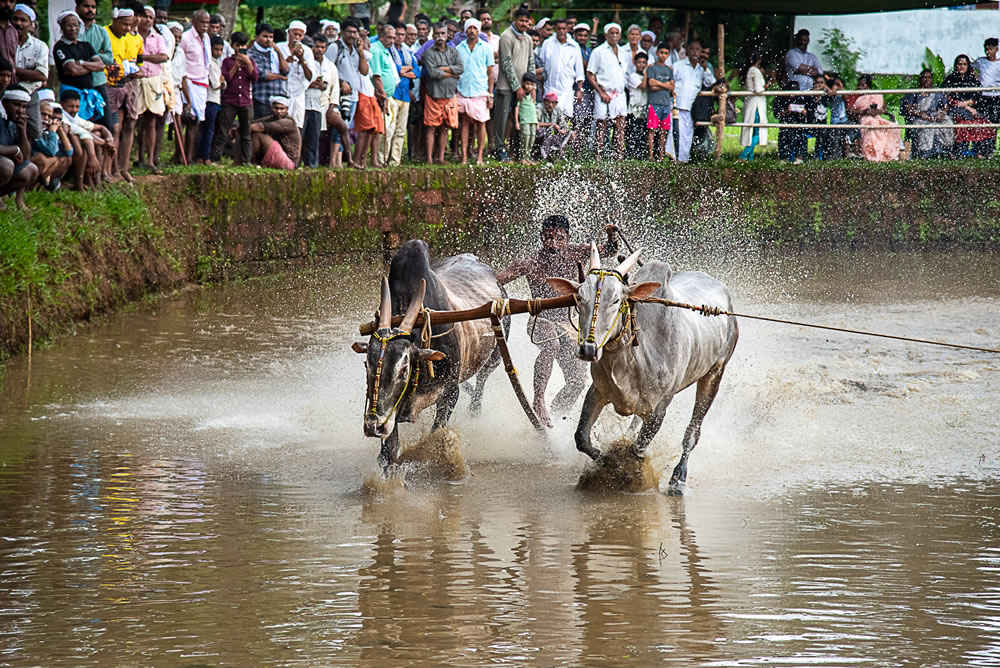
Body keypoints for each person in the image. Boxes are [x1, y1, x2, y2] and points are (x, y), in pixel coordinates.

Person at [496, 216, 618, 427]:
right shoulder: (531, 262)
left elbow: (609, 250)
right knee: (551, 345)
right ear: (541, 238)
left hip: (568, 324)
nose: (553, 243)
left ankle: (556, 417)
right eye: (548, 238)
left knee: (577, 382)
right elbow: (497, 280)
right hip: (541, 320)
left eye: (559, 238)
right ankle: (539, 401)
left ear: (567, 238)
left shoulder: (579, 252)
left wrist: (612, 234)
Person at [104, 6, 143, 182]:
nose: (128, 28)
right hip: (109, 85)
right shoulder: (104, 33)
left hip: (127, 84)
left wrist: (134, 69)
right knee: (115, 127)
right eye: (125, 24)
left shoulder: (131, 39)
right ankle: (112, 168)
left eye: (130, 24)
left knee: (130, 125)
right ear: (116, 20)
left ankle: (124, 167)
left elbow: (136, 62)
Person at [494, 7, 534, 162]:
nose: (524, 24)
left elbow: (531, 61)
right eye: (521, 20)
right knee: (502, 120)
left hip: (524, 88)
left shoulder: (528, 38)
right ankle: (499, 149)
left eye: (526, 21)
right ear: (515, 20)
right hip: (506, 87)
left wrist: (532, 86)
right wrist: (516, 87)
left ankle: (518, 152)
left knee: (520, 119)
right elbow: (506, 64)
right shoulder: (506, 36)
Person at [422, 22, 463, 165]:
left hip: (449, 95)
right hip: (434, 95)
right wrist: (451, 73)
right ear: (433, 35)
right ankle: (428, 159)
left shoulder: (454, 52)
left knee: (445, 127)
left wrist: (443, 69)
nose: (440, 37)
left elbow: (460, 68)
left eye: (443, 34)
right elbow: (433, 73)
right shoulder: (428, 53)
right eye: (437, 34)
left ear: (447, 35)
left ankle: (440, 158)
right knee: (431, 127)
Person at [586, 23, 628, 161]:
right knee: (601, 123)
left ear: (620, 35)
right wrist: (601, 92)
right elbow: (590, 74)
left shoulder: (623, 52)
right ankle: (598, 154)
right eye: (611, 33)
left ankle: (618, 154)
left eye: (617, 33)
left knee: (620, 124)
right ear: (606, 35)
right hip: (603, 92)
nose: (614, 35)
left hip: (620, 93)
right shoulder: (598, 51)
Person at [214, 31, 256, 166]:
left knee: (246, 133)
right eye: (238, 45)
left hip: (246, 101)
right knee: (222, 130)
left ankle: (246, 160)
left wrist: (248, 63)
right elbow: (225, 80)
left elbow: (255, 77)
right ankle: (215, 158)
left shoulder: (251, 61)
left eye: (243, 45)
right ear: (232, 45)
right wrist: (236, 66)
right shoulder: (227, 61)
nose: (240, 48)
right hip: (230, 101)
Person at [455, 17, 493, 165]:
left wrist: (490, 94)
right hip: (463, 90)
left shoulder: (486, 48)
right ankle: (464, 156)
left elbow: (490, 73)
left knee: (481, 124)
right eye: (469, 28)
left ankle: (480, 157)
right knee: (464, 123)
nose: (472, 31)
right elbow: (456, 71)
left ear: (479, 30)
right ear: (465, 30)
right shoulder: (459, 48)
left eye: (475, 28)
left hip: (480, 91)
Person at [135, 6, 167, 172]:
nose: (147, 20)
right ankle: (135, 158)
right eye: (145, 16)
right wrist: (149, 59)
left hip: (153, 82)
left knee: (151, 121)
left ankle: (150, 160)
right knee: (133, 120)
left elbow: (163, 57)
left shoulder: (158, 37)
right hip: (137, 81)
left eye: (150, 17)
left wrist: (142, 57)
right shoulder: (132, 35)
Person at [672, 38, 715, 163]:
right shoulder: (679, 65)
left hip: (691, 107)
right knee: (675, 133)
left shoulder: (701, 69)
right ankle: (672, 158)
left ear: (701, 52)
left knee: (687, 135)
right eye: (692, 49)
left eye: (697, 49)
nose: (694, 52)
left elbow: (711, 82)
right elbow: (671, 81)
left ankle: (683, 159)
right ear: (687, 50)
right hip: (678, 105)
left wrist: (705, 67)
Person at [943, 55, 993, 159]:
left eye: (964, 64)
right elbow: (945, 97)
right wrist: (963, 106)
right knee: (962, 124)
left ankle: (981, 152)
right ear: (955, 65)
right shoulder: (950, 79)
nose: (962, 67)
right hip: (955, 109)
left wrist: (968, 105)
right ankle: (958, 152)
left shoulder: (972, 80)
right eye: (959, 64)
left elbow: (978, 96)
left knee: (984, 123)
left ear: (968, 66)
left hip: (971, 109)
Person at [76, 0, 115, 131]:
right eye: (86, 6)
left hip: (99, 82)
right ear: (77, 8)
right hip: (78, 84)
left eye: (93, 7)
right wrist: (97, 58)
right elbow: (71, 57)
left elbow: (109, 58)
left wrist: (86, 59)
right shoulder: (72, 31)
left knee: (106, 126)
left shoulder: (102, 32)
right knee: (80, 126)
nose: (90, 10)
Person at [179, 10, 211, 165]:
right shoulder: (186, 38)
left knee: (197, 121)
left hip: (202, 84)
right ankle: (184, 157)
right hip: (188, 83)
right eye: (202, 22)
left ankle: (189, 155)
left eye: (207, 22)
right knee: (189, 120)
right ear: (194, 21)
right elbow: (179, 59)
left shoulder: (206, 39)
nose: (205, 26)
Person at [539, 18, 583, 130]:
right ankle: (547, 146)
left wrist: (579, 90)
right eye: (559, 29)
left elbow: (579, 71)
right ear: (555, 29)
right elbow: (542, 66)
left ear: (568, 29)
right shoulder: (547, 44)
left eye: (564, 28)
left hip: (566, 90)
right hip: (550, 88)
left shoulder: (574, 46)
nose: (561, 31)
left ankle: (561, 146)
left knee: (564, 120)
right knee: (548, 120)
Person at [0, 88, 38, 211]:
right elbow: (15, 151)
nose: (20, 111)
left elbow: (25, 159)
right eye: (16, 105)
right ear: (5, 103)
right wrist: (14, 149)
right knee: (6, 166)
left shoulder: (15, 124)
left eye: (23, 107)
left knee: (30, 170)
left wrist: (22, 130)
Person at [384, 22, 416, 166]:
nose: (400, 37)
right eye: (397, 34)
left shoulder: (407, 52)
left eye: (403, 35)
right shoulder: (387, 51)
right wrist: (401, 70)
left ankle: (394, 162)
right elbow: (392, 68)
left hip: (405, 95)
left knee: (401, 131)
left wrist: (402, 71)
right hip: (392, 94)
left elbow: (417, 71)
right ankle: (382, 159)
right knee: (388, 130)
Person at [901, 68, 952, 159]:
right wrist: (920, 114)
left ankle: (944, 152)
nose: (926, 80)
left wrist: (942, 113)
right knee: (927, 127)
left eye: (929, 77)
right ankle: (924, 154)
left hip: (935, 116)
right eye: (924, 77)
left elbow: (945, 106)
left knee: (947, 123)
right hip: (920, 117)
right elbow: (908, 108)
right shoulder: (914, 92)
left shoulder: (937, 92)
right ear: (920, 79)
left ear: (932, 79)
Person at [303, 33, 337, 168]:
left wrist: (316, 84)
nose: (319, 50)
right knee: (301, 134)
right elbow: (304, 81)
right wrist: (315, 83)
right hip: (304, 102)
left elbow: (327, 86)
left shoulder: (329, 66)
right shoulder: (307, 61)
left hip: (319, 104)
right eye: (317, 46)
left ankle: (312, 165)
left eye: (322, 47)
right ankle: (296, 163)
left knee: (314, 137)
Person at [12, 3, 45, 139]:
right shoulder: (4, 41)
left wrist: (13, 70)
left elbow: (41, 75)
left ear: (31, 24)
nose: (18, 23)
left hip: (30, 92)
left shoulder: (39, 46)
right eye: (15, 19)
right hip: (6, 91)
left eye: (23, 20)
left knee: (34, 132)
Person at [277, 20, 316, 136]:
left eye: (300, 35)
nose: (297, 37)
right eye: (295, 34)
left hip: (298, 95)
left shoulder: (307, 51)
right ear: (288, 33)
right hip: (281, 92)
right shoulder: (279, 47)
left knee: (296, 128)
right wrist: (290, 58)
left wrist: (302, 60)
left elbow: (310, 77)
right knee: (278, 127)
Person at [350, 30, 382, 168]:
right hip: (362, 94)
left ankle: (363, 161)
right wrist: (361, 45)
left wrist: (363, 39)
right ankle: (357, 161)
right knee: (363, 130)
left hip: (370, 94)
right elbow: (363, 65)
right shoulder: (358, 54)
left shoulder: (367, 55)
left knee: (372, 130)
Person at [851, 74, 900, 162]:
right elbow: (852, 112)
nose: (859, 87)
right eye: (859, 85)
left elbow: (884, 108)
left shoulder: (875, 96)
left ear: (868, 86)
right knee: (872, 125)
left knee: (893, 127)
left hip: (877, 118)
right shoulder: (856, 97)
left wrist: (878, 111)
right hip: (864, 119)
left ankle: (886, 154)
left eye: (862, 85)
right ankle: (872, 155)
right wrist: (864, 112)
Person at [368, 23, 398, 166]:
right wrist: (383, 95)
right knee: (380, 129)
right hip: (379, 97)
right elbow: (376, 76)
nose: (392, 41)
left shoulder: (385, 50)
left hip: (388, 96)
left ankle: (382, 160)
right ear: (381, 36)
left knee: (388, 129)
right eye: (389, 37)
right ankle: (377, 160)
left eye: (393, 38)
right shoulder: (376, 50)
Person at [194, 35, 224, 164]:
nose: (219, 52)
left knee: (210, 128)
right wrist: (221, 82)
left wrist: (222, 82)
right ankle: (204, 157)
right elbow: (216, 84)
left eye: (221, 50)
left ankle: (204, 155)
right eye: (216, 49)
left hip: (216, 99)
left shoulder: (217, 62)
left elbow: (222, 82)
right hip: (210, 99)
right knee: (208, 129)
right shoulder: (210, 63)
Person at [249, 22, 289, 120]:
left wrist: (279, 52)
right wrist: (280, 77)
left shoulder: (274, 52)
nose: (269, 40)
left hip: (277, 101)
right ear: (257, 37)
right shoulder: (251, 53)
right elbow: (262, 74)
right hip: (261, 99)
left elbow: (285, 70)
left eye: (271, 37)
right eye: (265, 36)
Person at [30, 101, 73, 190]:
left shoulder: (45, 131)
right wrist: (52, 132)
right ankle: (27, 188)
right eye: (43, 114)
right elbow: (50, 151)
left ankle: (40, 187)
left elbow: (69, 152)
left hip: (39, 165)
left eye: (49, 116)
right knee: (42, 158)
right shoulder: (34, 129)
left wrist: (60, 131)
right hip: (27, 162)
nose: (46, 118)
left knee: (63, 159)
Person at [644, 42, 675, 162]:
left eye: (665, 53)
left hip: (666, 104)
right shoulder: (652, 68)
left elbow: (672, 87)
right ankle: (650, 156)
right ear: (657, 53)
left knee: (663, 131)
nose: (663, 55)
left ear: (668, 55)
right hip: (654, 103)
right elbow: (651, 85)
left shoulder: (669, 70)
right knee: (652, 130)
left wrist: (659, 84)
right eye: (661, 52)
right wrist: (666, 85)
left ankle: (661, 156)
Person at [251, 95, 299, 169]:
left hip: (288, 162)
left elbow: (260, 127)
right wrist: (238, 129)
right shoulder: (271, 119)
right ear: (271, 108)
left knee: (258, 134)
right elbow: (252, 124)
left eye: (282, 109)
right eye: (276, 108)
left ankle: (251, 161)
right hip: (272, 156)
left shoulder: (289, 122)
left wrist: (242, 129)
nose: (279, 111)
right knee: (247, 130)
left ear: (287, 109)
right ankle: (243, 161)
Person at [972, 38, 1000, 157]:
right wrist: (976, 77)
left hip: (996, 96)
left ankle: (990, 149)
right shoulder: (980, 61)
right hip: (983, 96)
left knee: (993, 122)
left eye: (991, 48)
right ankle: (980, 150)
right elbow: (970, 68)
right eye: (987, 48)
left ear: (996, 49)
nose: (988, 51)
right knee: (982, 122)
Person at [738, 49, 766, 161]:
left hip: (751, 102)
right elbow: (758, 89)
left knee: (753, 131)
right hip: (756, 105)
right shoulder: (755, 71)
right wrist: (766, 86)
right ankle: (743, 155)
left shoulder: (749, 70)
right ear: (760, 59)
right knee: (757, 131)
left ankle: (750, 157)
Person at [774, 80, 808, 163]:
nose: (792, 95)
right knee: (784, 136)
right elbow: (777, 115)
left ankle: (799, 157)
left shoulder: (802, 99)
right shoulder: (780, 99)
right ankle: (784, 158)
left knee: (801, 135)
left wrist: (804, 112)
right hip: (786, 123)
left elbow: (809, 114)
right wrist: (786, 111)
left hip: (799, 123)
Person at [535, 90, 573, 160]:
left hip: (550, 136)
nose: (550, 105)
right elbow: (534, 123)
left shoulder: (557, 109)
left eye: (553, 103)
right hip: (539, 135)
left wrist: (563, 130)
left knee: (570, 133)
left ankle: (558, 154)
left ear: (556, 103)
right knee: (542, 130)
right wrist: (552, 124)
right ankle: (540, 154)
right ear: (544, 101)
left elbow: (563, 123)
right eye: (548, 102)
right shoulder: (539, 108)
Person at [625, 50, 648, 159]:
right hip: (633, 110)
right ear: (635, 63)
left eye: (644, 63)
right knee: (632, 135)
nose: (641, 65)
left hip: (644, 110)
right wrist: (648, 72)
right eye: (639, 62)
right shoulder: (632, 76)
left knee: (642, 135)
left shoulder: (646, 76)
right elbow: (643, 86)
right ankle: (630, 155)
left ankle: (641, 156)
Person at [785, 28, 822, 93]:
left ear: (808, 41)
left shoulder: (812, 56)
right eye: (801, 40)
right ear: (797, 40)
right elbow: (800, 68)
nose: (803, 42)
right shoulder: (791, 53)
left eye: (805, 40)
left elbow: (820, 71)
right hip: (795, 90)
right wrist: (813, 69)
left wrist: (803, 71)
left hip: (811, 90)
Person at [514, 70, 537, 164]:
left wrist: (537, 122)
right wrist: (516, 122)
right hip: (524, 120)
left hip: (533, 120)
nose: (529, 86)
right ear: (523, 83)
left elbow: (534, 109)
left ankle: (528, 157)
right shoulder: (521, 95)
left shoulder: (533, 95)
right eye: (527, 83)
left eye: (531, 84)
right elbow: (517, 108)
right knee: (525, 138)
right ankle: (522, 157)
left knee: (532, 138)